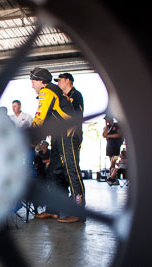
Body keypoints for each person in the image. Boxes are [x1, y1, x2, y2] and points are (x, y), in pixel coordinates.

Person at [29, 67, 85, 223]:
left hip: (69, 134)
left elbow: (40, 118)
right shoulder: (52, 91)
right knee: (53, 172)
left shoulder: (47, 91)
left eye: (33, 82)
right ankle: (53, 210)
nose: (32, 86)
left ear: (41, 81)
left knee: (71, 171)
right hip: (58, 136)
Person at [55, 73, 86, 223]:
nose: (58, 83)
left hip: (72, 135)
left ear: (68, 81)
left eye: (60, 80)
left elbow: (76, 116)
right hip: (63, 136)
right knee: (68, 171)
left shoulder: (76, 95)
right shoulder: (62, 97)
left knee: (73, 171)